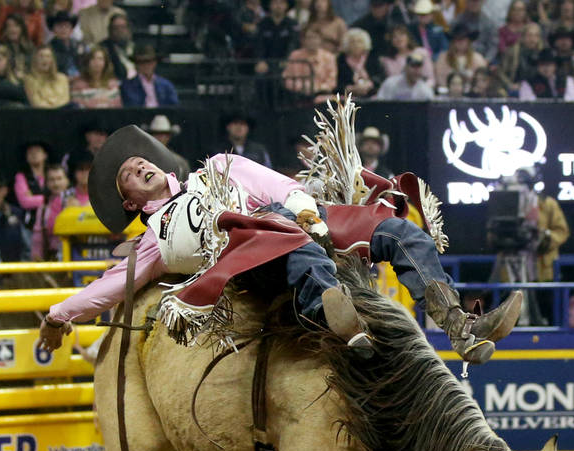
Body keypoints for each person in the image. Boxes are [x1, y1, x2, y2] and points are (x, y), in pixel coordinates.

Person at [39, 123, 523, 364]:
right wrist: (61, 314)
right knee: (284, 234)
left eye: (139, 162)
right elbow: (107, 289)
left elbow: (280, 187)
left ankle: (459, 325)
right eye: (128, 175)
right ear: (130, 204)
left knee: (398, 230)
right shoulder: (154, 238)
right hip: (250, 257)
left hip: (299, 220)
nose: (138, 166)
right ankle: (333, 318)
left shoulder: (217, 168)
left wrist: (310, 212)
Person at [283, 22, 338, 103]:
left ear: (320, 40)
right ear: (303, 40)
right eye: (309, 38)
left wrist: (317, 87)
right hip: (298, 96)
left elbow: (332, 81)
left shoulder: (329, 57)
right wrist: (301, 87)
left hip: (322, 95)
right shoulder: (295, 55)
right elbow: (287, 78)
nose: (312, 41)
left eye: (315, 38)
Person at [337, 26, 383, 99]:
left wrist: (370, 84)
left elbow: (380, 77)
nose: (356, 44)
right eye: (352, 41)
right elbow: (338, 83)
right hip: (348, 95)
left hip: (372, 92)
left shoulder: (372, 57)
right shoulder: (340, 60)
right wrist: (351, 88)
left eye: (359, 41)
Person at [255, 0, 298, 77]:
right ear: (269, 5)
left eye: (282, 2)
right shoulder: (262, 24)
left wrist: (287, 59)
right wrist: (261, 60)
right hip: (266, 63)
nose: (278, 6)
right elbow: (259, 44)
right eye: (275, 3)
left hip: (286, 63)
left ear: (287, 5)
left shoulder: (292, 24)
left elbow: (293, 43)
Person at [13, 138, 48, 232]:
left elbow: (61, 197)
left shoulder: (51, 174)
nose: (34, 154)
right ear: (26, 157)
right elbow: (25, 202)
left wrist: (34, 198)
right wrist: (49, 199)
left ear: (45, 155)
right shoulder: (21, 176)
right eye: (30, 152)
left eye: (37, 151)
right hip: (31, 225)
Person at [48, 10, 84, 78]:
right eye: (59, 26)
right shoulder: (49, 48)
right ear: (53, 29)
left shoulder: (79, 45)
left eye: (67, 26)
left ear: (71, 29)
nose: (63, 29)